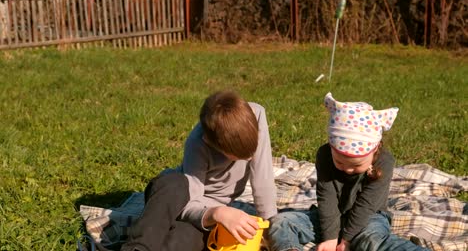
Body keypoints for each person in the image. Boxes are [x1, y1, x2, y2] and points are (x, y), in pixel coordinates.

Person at [267, 92, 429, 251]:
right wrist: (330, 238)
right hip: (332, 218)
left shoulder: (384, 161)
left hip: (368, 219)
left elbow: (367, 204)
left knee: (371, 241)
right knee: (282, 222)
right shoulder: (324, 155)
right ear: (331, 148)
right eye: (339, 161)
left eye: (357, 165)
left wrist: (347, 240)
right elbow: (326, 198)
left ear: (375, 150)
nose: (348, 169)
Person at [121, 90, 278, 251]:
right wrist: (217, 213)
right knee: (176, 183)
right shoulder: (197, 143)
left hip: (203, 218)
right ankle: (137, 248)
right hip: (172, 199)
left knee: (187, 239)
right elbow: (191, 200)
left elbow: (263, 179)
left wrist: (268, 227)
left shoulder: (256, 116)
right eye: (238, 156)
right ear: (211, 142)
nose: (249, 159)